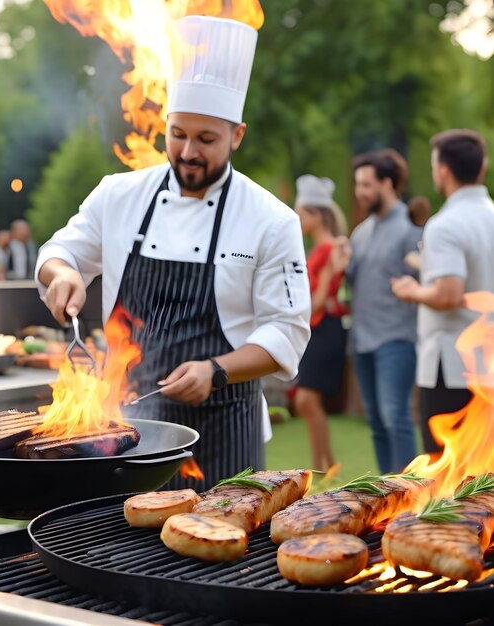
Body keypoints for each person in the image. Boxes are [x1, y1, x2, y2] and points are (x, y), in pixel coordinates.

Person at [35, 15, 311, 490]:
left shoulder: (271, 219)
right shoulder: (119, 195)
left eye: (206, 140)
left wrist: (216, 370)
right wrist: (62, 274)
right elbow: (61, 252)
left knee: (218, 552)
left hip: (225, 428)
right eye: (178, 134)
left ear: (236, 136)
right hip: (129, 427)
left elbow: (287, 332)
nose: (187, 152)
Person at [391, 129, 494, 454]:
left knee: (446, 480)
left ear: (444, 170)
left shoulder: (445, 224)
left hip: (451, 366)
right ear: (483, 166)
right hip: (488, 364)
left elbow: (448, 294)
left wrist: (412, 291)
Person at [346, 149, 423, 474]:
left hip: (397, 339)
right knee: (377, 422)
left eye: (366, 184)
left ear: (387, 183)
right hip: (362, 339)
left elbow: (424, 274)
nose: (359, 192)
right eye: (358, 184)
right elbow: (354, 282)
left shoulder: (410, 228)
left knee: (396, 417)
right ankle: (386, 496)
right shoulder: (360, 232)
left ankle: (411, 496)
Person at [292, 175, 351, 472]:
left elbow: (319, 299)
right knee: (306, 401)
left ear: (315, 214)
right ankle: (326, 464)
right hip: (317, 325)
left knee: (306, 399)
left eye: (301, 213)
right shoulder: (319, 249)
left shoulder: (328, 249)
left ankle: (322, 467)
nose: (298, 219)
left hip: (324, 326)